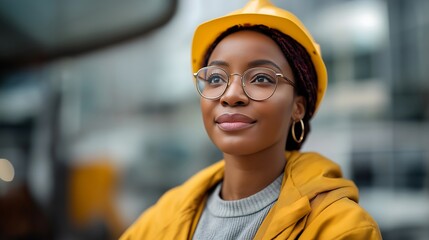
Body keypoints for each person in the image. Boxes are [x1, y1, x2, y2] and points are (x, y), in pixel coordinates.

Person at [120, 0, 382, 239]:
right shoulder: (165, 216)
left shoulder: (340, 228)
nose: (231, 95)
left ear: (298, 107)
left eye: (261, 78)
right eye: (215, 79)